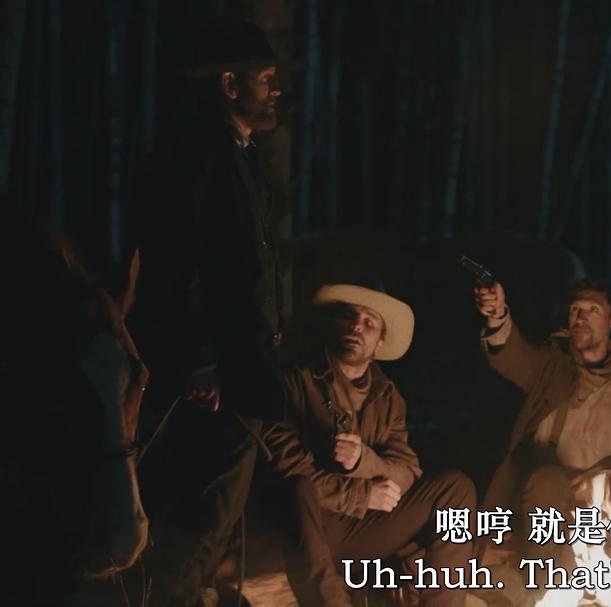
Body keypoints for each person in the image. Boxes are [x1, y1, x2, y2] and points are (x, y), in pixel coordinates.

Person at [127, 19, 297, 605]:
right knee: (203, 511)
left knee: (213, 508)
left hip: (236, 366)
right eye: (266, 79)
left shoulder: (235, 153)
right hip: (218, 373)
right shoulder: (199, 154)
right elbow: (181, 261)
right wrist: (200, 359)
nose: (276, 91)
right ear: (229, 84)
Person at [263, 281, 476, 607]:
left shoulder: (388, 396)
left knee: (455, 488)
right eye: (349, 317)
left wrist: (365, 462)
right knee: (297, 489)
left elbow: (408, 472)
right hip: (313, 525)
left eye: (369, 323)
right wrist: (362, 495)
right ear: (333, 325)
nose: (356, 327)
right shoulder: (296, 382)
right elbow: (289, 469)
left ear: (379, 343)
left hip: (365, 528)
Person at [473, 278, 611, 574]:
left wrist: (602, 475)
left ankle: (608, 573)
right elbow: (514, 358)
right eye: (575, 309)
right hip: (547, 486)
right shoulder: (551, 363)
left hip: (605, 491)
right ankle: (543, 581)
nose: (580, 317)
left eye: (593, 309)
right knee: (547, 481)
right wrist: (497, 316)